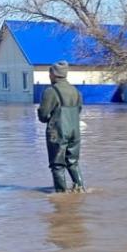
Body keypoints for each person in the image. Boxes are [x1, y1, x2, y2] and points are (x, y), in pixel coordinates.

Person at [36, 60, 85, 193]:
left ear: (54, 75)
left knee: (57, 165)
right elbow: (78, 110)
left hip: (58, 132)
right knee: (73, 162)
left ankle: (61, 196)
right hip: (75, 132)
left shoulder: (50, 91)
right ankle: (80, 188)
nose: (49, 76)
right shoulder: (76, 91)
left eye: (49, 74)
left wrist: (46, 117)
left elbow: (43, 115)